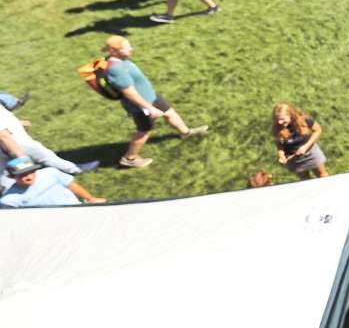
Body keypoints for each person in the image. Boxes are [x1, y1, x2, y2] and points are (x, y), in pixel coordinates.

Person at [100, 35, 208, 169]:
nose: (131, 49)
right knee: (144, 130)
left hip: (151, 96)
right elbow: (129, 93)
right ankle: (129, 158)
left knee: (170, 112)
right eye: (127, 48)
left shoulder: (122, 60)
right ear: (113, 51)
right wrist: (149, 108)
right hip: (140, 106)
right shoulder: (116, 69)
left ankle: (185, 133)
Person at [0, 105, 100, 176]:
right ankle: (75, 170)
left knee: (6, 172)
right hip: (16, 142)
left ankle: (7, 190)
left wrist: (17, 122)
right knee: (47, 157)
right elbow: (3, 135)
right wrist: (20, 155)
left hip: (8, 143)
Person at [1, 158, 106, 208]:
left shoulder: (50, 173)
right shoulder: (9, 200)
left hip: (75, 209)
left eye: (31, 172)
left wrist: (90, 199)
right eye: (22, 175)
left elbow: (72, 185)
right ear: (11, 177)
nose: (29, 176)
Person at [272, 103, 328, 179]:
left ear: (290, 115)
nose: (279, 122)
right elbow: (279, 145)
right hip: (294, 159)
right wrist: (281, 156)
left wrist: (305, 146)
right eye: (277, 119)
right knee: (304, 181)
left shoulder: (304, 120)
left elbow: (318, 130)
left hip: (311, 153)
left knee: (322, 176)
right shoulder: (276, 128)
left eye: (282, 119)